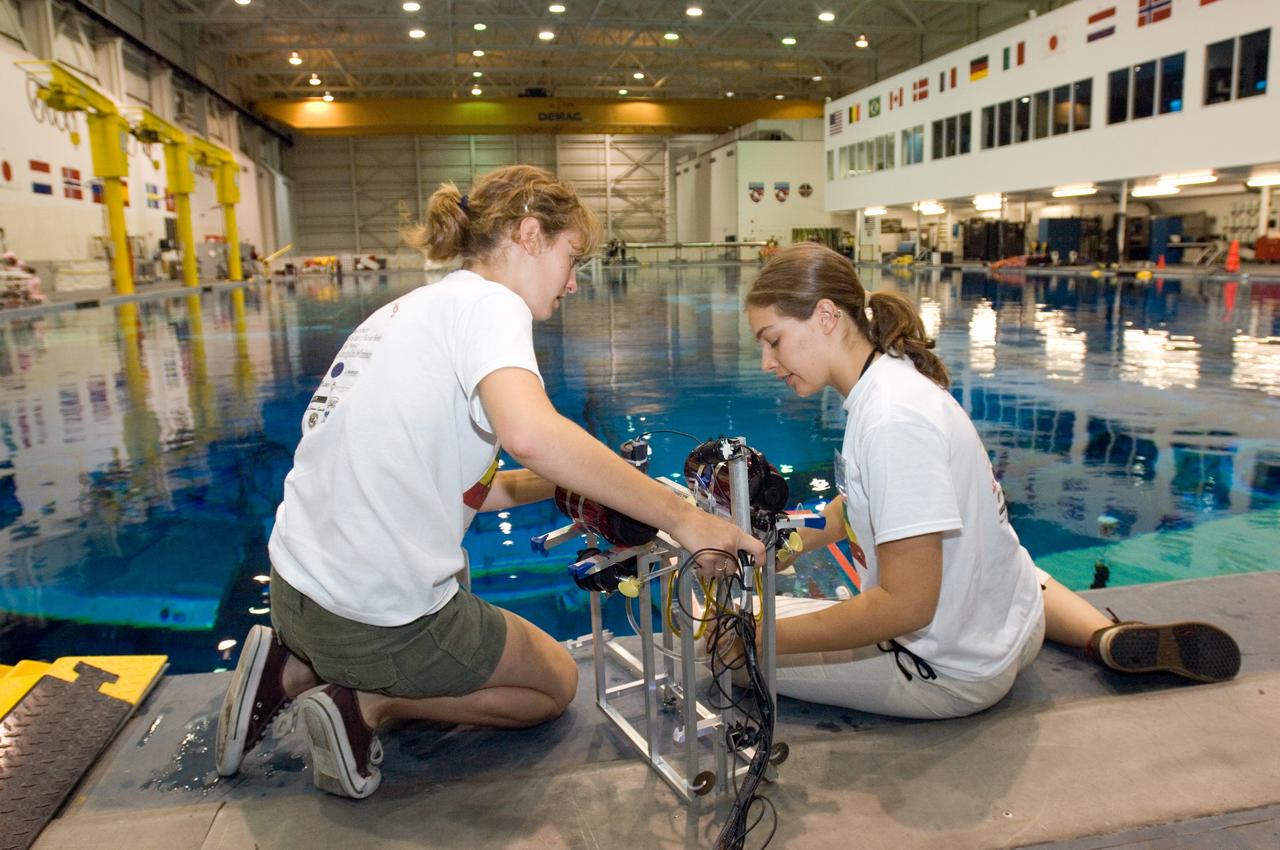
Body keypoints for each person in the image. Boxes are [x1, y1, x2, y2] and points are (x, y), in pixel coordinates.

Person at [215, 165, 763, 798]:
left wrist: (577, 483)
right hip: (372, 619)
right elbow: (531, 433)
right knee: (552, 685)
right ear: (529, 235)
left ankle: (287, 669)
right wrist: (684, 517)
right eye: (572, 258)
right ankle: (363, 704)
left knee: (459, 596)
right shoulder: (493, 304)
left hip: (295, 592)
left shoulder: (410, 308)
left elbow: (471, 487)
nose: (574, 283)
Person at [732, 242, 1240, 719]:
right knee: (998, 553)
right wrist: (794, 539)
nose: (767, 363)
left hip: (948, 674)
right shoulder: (893, 379)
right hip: (1018, 624)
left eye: (773, 341)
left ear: (826, 316)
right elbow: (865, 503)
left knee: (721, 641)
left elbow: (906, 607)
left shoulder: (890, 421)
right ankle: (1101, 635)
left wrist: (757, 638)